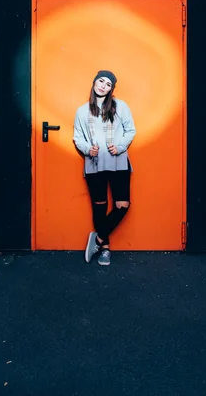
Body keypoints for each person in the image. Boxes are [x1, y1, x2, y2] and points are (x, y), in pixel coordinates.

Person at [73, 70, 136, 266]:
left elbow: (130, 130)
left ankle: (98, 239)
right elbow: (78, 137)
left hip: (118, 163)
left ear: (111, 89)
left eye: (108, 84)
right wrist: (86, 149)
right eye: (101, 81)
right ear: (94, 82)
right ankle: (105, 249)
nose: (103, 86)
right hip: (94, 164)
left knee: (122, 206)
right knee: (100, 207)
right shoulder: (82, 111)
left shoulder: (120, 106)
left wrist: (119, 147)